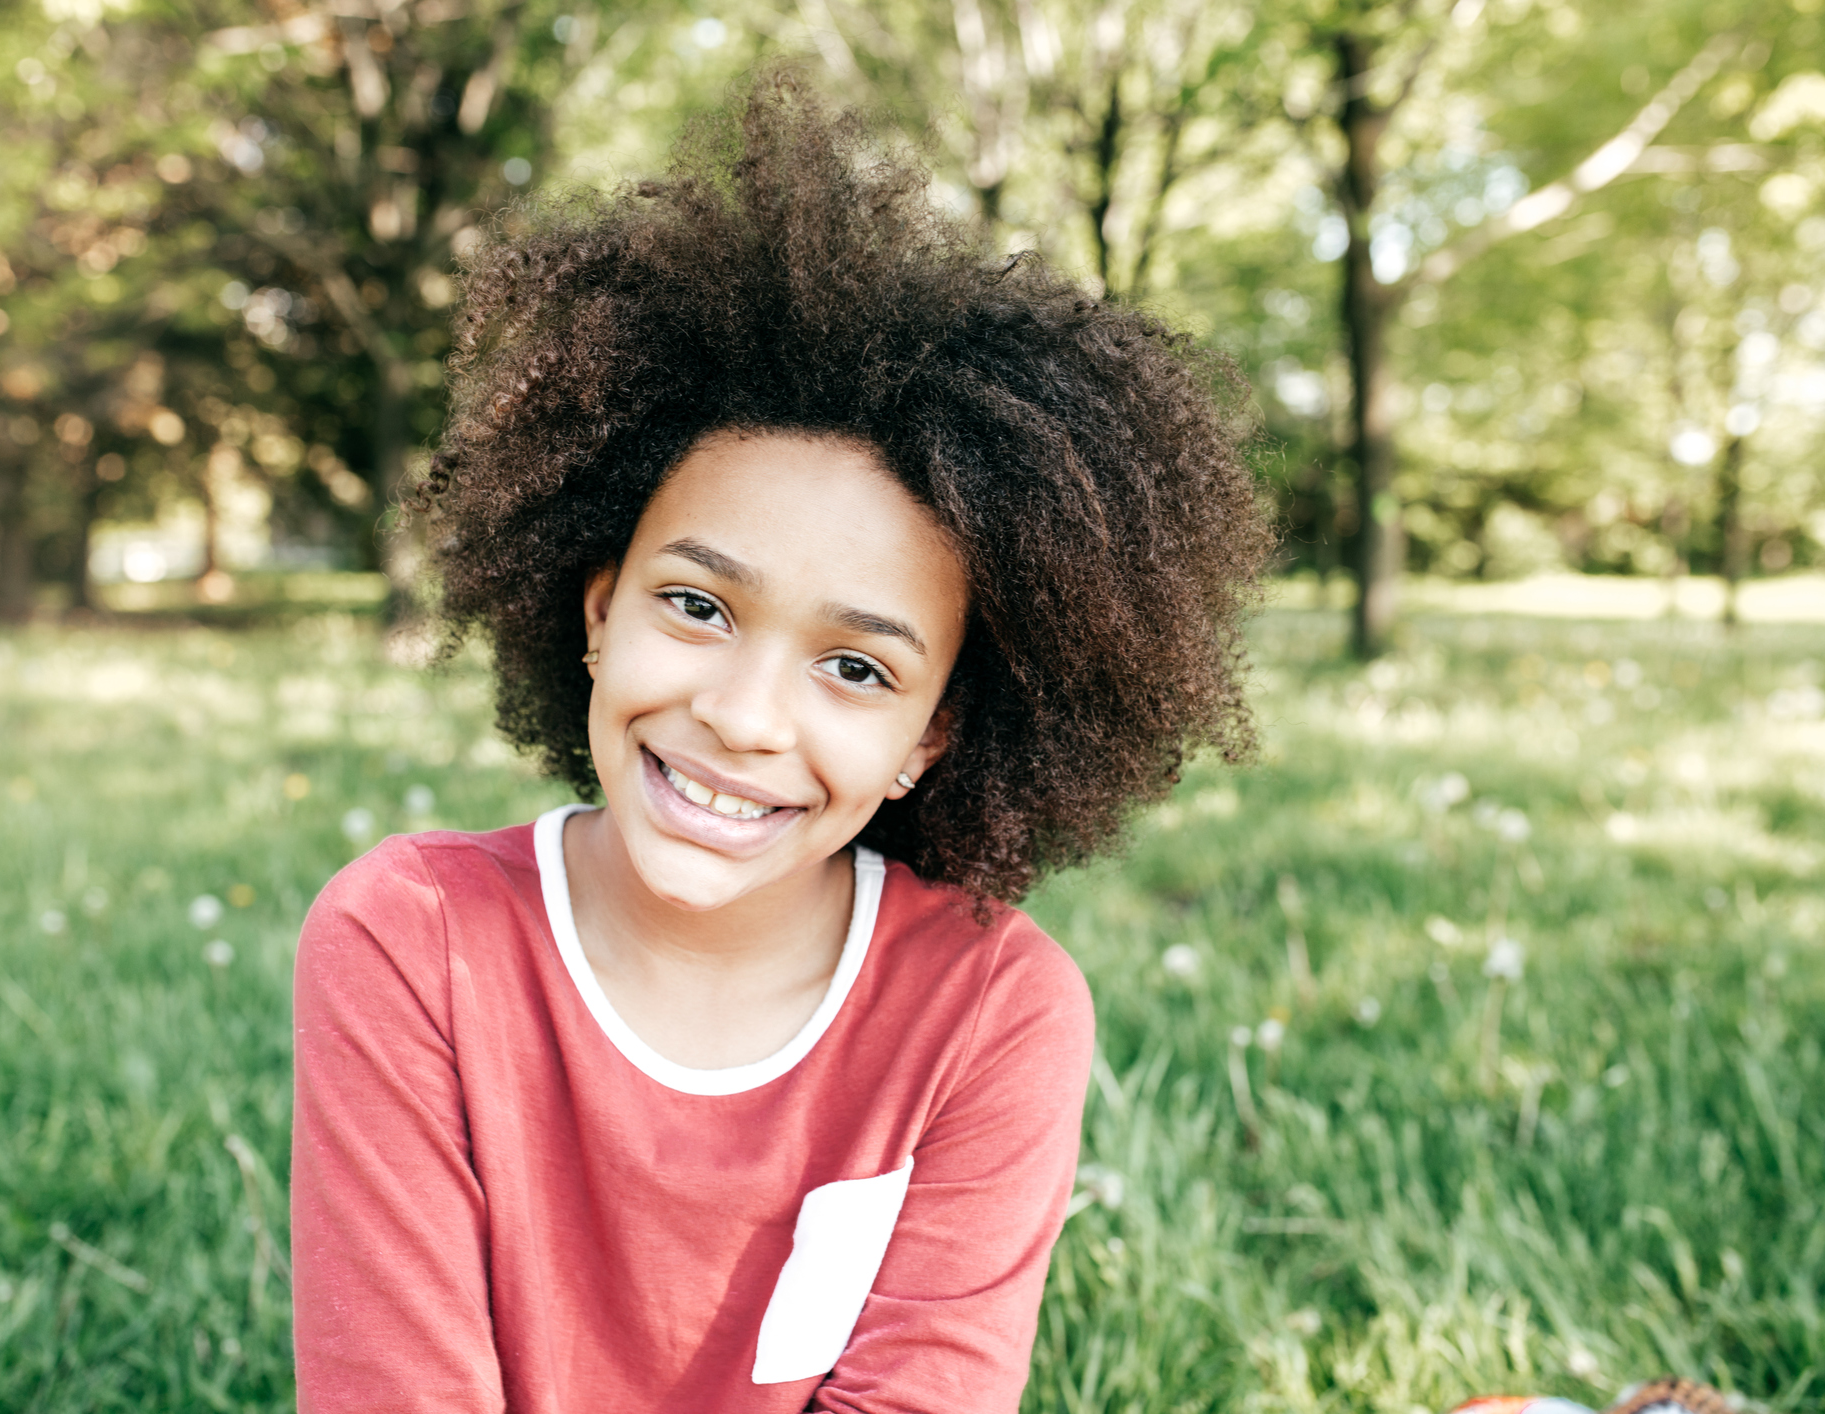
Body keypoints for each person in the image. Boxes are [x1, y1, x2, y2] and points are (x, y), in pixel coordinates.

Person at [289, 69, 1269, 1414]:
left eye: (855, 667)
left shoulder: (991, 1013)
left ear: (931, 737)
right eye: (695, 605)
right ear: (595, 610)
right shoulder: (410, 938)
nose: (743, 716)